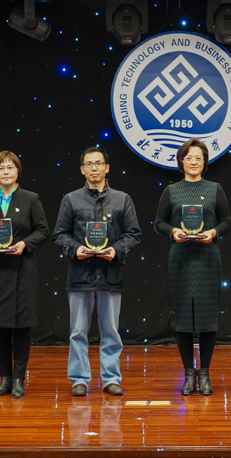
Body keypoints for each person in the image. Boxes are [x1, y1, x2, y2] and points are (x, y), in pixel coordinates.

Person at [52, 147, 141, 397]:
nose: (94, 168)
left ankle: (111, 378)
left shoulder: (122, 199)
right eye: (89, 164)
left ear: (107, 168)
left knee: (111, 330)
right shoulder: (71, 199)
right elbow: (59, 235)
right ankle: (79, 380)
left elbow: (133, 234)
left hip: (111, 273)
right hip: (80, 274)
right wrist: (75, 249)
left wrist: (116, 250)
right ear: (82, 170)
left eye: (99, 163)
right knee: (78, 331)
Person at [0, 151, 50, 399]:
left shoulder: (30, 198)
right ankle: (4, 378)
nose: (6, 172)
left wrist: (24, 244)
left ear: (18, 171)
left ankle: (18, 379)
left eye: (10, 167)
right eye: (1, 168)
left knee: (22, 327)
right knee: (0, 327)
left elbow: (43, 230)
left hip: (22, 269)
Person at [154, 138, 231, 396]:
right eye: (189, 158)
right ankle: (189, 373)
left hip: (208, 258)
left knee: (208, 318)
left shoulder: (214, 188)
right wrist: (173, 231)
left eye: (199, 157)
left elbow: (227, 221)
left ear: (205, 162)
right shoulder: (171, 190)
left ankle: (205, 373)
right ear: (181, 162)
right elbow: (159, 222)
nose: (194, 162)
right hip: (180, 259)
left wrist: (213, 232)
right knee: (184, 319)